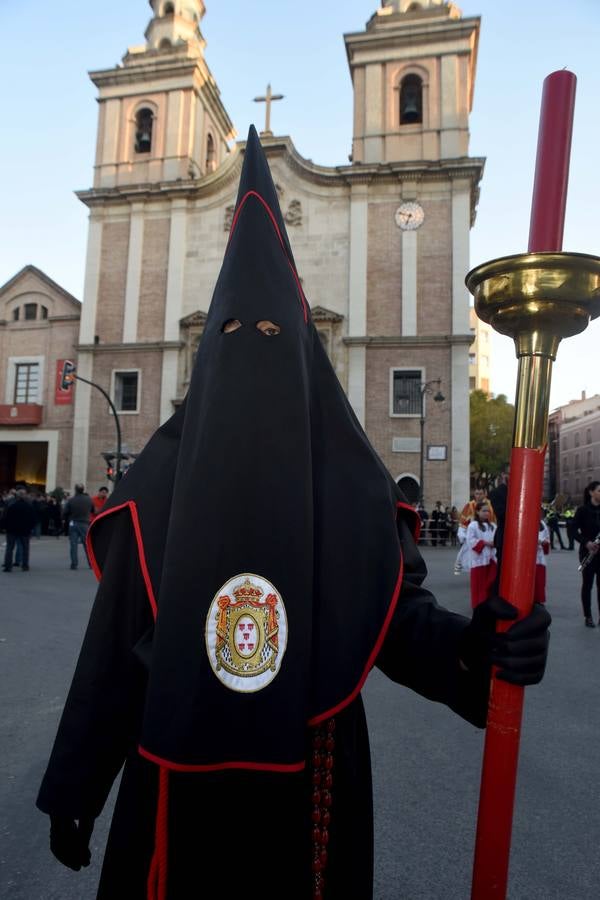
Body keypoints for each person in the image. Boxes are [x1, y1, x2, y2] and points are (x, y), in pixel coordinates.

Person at [36, 127, 550, 900]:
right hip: (172, 786)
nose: (251, 351)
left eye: (274, 336)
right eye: (233, 335)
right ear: (207, 351)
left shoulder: (349, 479)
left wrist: (478, 652)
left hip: (311, 780)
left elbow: (395, 615)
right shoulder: (159, 484)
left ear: (307, 353)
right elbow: (109, 656)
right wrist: (74, 790)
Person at [573, 480, 600, 628]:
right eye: (599, 491)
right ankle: (588, 616)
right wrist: (586, 542)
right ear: (591, 492)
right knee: (587, 585)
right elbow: (573, 531)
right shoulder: (582, 510)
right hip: (587, 553)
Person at [454, 488, 495, 575]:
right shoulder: (469, 506)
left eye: (480, 494)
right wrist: (462, 534)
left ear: (485, 494)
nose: (478, 496)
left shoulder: (491, 504)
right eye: (477, 494)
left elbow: (495, 520)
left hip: (489, 533)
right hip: (475, 534)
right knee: (473, 556)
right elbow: (463, 521)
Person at [466, 501, 497, 609]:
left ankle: (489, 604)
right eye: (484, 511)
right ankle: (478, 605)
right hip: (478, 560)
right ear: (477, 512)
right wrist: (485, 543)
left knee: (490, 583)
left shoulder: (493, 525)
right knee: (478, 584)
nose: (486, 513)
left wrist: (495, 543)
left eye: (488, 511)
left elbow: (496, 539)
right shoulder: (473, 525)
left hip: (491, 558)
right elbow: (470, 541)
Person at [2, 488, 36, 572]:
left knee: (10, 548)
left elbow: (5, 518)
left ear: (17, 496)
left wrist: (5, 528)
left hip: (12, 530)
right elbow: (33, 519)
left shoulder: (12, 506)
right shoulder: (29, 506)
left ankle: (8, 566)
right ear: (24, 496)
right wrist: (30, 528)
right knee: (25, 548)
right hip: (24, 530)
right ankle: (25, 565)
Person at [63, 484, 94, 570]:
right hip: (85, 524)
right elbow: (93, 510)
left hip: (74, 523)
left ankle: (74, 564)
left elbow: (65, 512)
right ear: (83, 490)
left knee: (73, 545)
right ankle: (91, 563)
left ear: (75, 490)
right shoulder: (89, 500)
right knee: (86, 545)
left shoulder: (71, 500)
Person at [534, 511, 550, 604]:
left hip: (540, 555)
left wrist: (544, 542)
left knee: (540, 580)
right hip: (530, 556)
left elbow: (547, 538)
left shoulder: (542, 524)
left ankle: (539, 599)